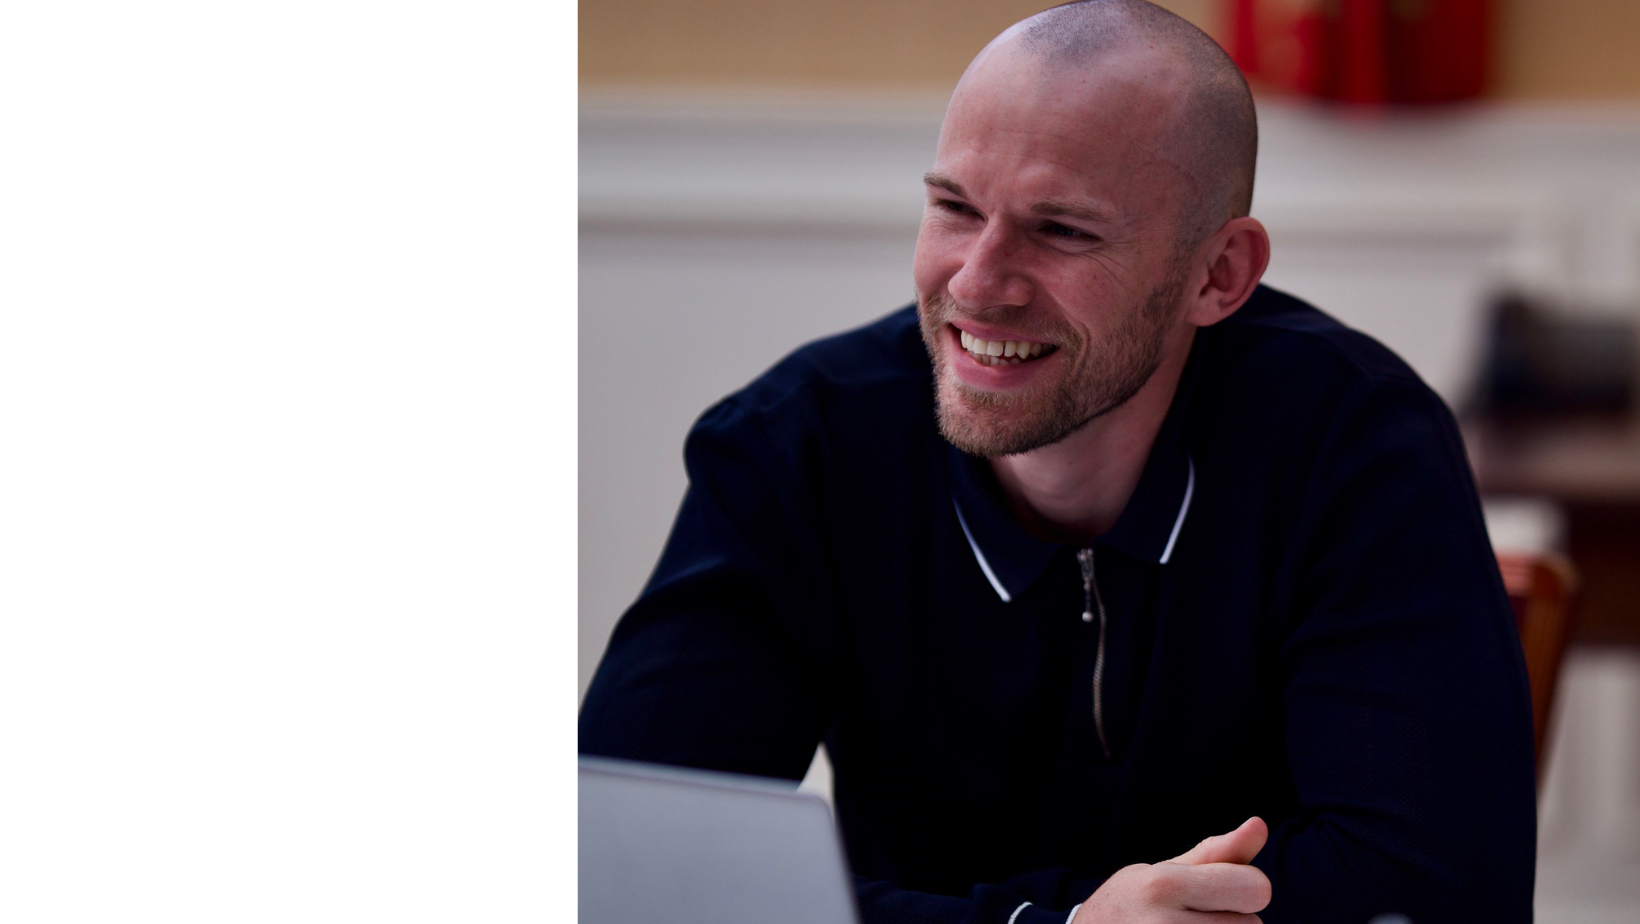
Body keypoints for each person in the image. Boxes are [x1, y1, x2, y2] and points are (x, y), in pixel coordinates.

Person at [579, 1, 1538, 922]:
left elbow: (1441, 895)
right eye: (954, 208)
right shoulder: (795, 450)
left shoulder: (1356, 442)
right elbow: (624, 877)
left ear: (1220, 275)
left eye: (1062, 230)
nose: (977, 283)